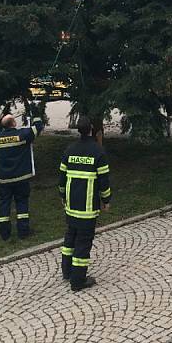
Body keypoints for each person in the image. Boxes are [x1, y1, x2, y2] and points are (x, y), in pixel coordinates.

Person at [59, 115, 111, 292]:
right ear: (90, 129)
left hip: (71, 206)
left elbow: (61, 177)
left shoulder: (69, 150)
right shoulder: (98, 152)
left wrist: (62, 195)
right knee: (83, 243)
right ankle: (78, 281)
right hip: (87, 209)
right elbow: (104, 180)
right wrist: (106, 200)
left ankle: (67, 272)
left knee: (70, 238)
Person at [0, 108, 44, 241]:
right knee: (22, 203)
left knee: (4, 204)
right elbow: (38, 126)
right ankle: (23, 231)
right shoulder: (23, 135)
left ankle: (4, 233)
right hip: (21, 177)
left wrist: (0, 122)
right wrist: (35, 112)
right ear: (14, 124)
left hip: (4, 180)